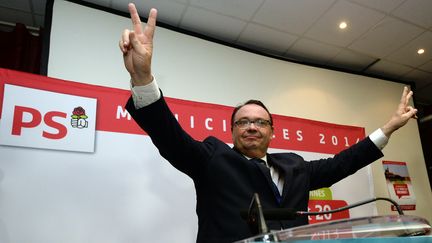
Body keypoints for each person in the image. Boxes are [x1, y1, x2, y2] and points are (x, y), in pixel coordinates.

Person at [119, 3, 418, 243]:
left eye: (260, 122)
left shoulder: (295, 165)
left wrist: (388, 128)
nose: (252, 127)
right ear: (233, 131)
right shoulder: (212, 158)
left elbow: (344, 162)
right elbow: (170, 138)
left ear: (272, 132)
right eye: (243, 122)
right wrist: (143, 78)